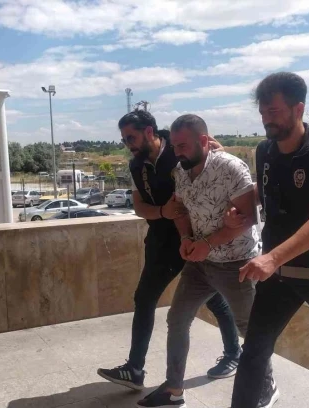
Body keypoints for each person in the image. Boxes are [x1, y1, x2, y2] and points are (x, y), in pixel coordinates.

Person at [229, 72, 309, 408]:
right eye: (262, 112)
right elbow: (268, 191)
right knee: (254, 350)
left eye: (273, 111)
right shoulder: (265, 151)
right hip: (280, 274)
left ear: (298, 108)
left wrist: (272, 257)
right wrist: (242, 205)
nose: (266, 119)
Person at [136, 114, 277, 408]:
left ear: (203, 140)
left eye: (183, 146)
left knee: (250, 329)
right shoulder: (180, 172)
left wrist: (207, 244)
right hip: (199, 264)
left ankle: (267, 386)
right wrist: (186, 238)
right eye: (174, 146)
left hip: (236, 263)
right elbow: (180, 211)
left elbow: (248, 217)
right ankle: (174, 389)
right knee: (177, 319)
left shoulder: (230, 168)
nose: (177, 152)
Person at [97, 110, 243, 391]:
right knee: (145, 297)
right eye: (124, 139)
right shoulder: (136, 166)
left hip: (196, 238)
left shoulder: (179, 149)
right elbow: (140, 207)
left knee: (214, 299)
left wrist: (220, 152)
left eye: (131, 138)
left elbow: (217, 163)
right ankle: (135, 369)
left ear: (149, 132)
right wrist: (162, 211)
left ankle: (234, 354)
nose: (128, 144)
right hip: (162, 242)